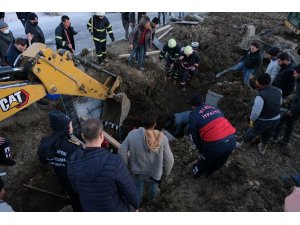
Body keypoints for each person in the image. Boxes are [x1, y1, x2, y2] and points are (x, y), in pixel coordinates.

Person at [67, 118, 140, 212]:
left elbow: (76, 189)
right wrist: (136, 205)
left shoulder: (73, 162)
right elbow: (129, 190)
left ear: (82, 136)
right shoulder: (115, 162)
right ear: (102, 135)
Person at [119, 110, 174, 203]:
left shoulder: (132, 134)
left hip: (137, 171)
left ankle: (138, 205)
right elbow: (170, 160)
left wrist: (126, 168)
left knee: (137, 190)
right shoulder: (163, 139)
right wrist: (165, 174)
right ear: (155, 123)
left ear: (142, 122)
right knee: (154, 188)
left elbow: (122, 151)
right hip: (155, 173)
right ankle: (151, 204)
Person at [37, 110, 82, 211]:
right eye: (70, 125)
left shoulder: (46, 144)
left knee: (75, 203)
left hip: (63, 181)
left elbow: (43, 161)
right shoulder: (73, 146)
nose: (72, 127)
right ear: (66, 128)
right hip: (77, 185)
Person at [189, 95, 236, 178]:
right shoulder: (214, 107)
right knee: (221, 160)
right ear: (203, 102)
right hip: (232, 140)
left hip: (215, 144)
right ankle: (210, 172)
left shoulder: (193, 115)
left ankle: (195, 174)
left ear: (193, 106)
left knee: (204, 160)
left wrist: (201, 150)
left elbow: (194, 137)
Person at [236, 73, 282, 155]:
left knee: (252, 132)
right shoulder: (278, 90)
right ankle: (262, 149)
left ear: (259, 83)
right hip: (276, 118)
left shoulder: (261, 96)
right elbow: (280, 102)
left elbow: (255, 112)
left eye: (257, 81)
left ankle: (242, 146)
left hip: (264, 120)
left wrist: (252, 120)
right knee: (268, 134)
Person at [272, 65, 300, 145]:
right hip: (296, 108)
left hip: (296, 109)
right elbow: (295, 95)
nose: (293, 74)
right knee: (290, 123)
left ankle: (274, 138)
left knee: (280, 121)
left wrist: (292, 111)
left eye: (295, 73)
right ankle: (285, 140)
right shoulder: (298, 81)